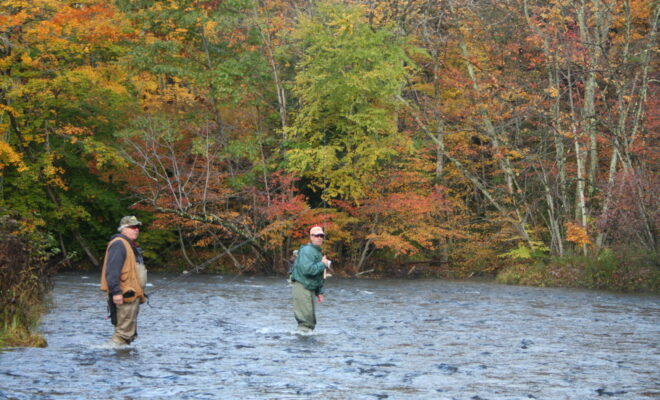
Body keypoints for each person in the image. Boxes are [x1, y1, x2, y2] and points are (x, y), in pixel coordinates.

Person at [100, 216, 148, 345]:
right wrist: (116, 292)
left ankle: (121, 358)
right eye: (132, 227)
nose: (136, 230)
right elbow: (112, 270)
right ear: (123, 229)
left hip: (132, 294)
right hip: (125, 294)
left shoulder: (129, 245)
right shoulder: (119, 244)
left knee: (128, 333)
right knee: (123, 334)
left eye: (137, 227)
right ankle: (110, 355)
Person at [290, 225, 331, 333]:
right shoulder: (307, 251)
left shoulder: (317, 252)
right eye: (317, 235)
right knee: (306, 320)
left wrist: (319, 292)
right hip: (302, 285)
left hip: (310, 287)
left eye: (321, 235)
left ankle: (306, 342)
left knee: (310, 320)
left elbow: (318, 276)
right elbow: (308, 270)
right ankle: (302, 345)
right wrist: (322, 264)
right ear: (311, 237)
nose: (319, 238)